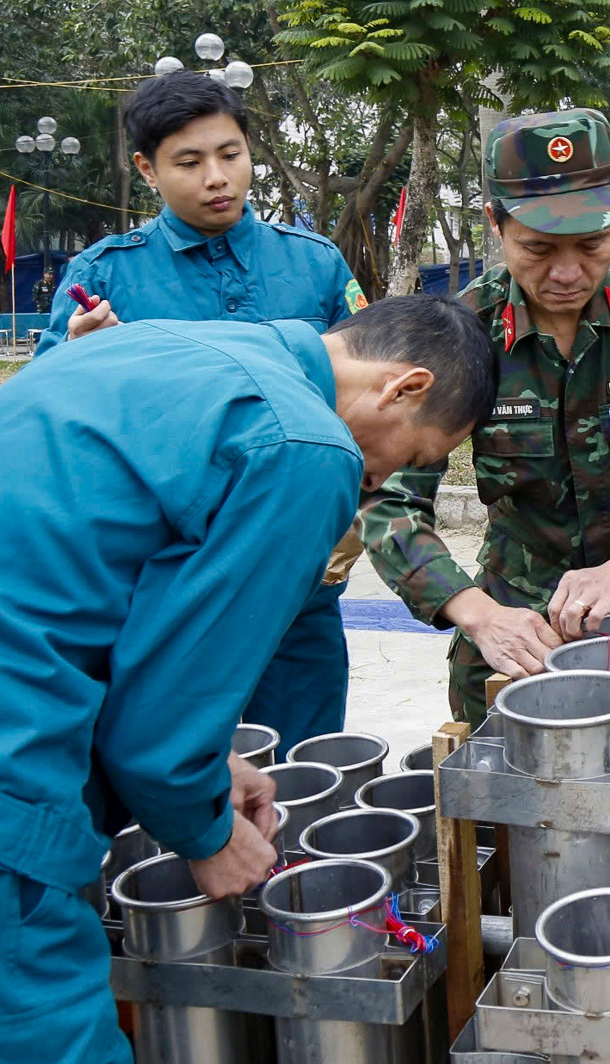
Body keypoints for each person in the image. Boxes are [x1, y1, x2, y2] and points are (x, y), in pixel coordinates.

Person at [0, 295, 493, 1064]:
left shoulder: (165, 345)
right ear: (403, 387)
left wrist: (208, 762)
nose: (386, 477)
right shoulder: (305, 444)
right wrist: (205, 829)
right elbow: (161, 722)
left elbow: (96, 594)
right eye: (415, 456)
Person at [360, 109, 610, 725]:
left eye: (591, 245)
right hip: (523, 617)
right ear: (495, 223)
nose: (567, 274)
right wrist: (474, 610)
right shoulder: (465, 331)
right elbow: (389, 496)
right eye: (537, 248)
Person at [37, 71, 370, 753]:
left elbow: (365, 396)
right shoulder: (105, 277)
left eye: (230, 154)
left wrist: (353, 509)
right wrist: (76, 355)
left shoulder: (314, 265)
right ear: (147, 170)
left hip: (296, 573)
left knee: (305, 759)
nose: (217, 177)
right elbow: (43, 422)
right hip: (168, 581)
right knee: (173, 760)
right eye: (189, 163)